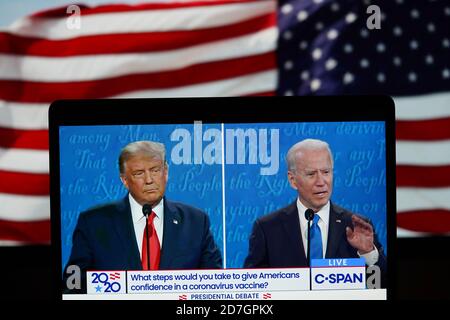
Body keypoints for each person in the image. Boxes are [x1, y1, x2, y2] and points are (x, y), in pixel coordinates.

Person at [63, 140, 222, 292]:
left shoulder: (195, 222)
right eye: (139, 173)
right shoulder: (94, 223)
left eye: (155, 170)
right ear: (124, 180)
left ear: (165, 172)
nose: (149, 180)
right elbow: (73, 284)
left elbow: (215, 284)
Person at [243, 139, 386, 285]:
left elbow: (380, 284)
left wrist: (368, 253)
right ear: (293, 180)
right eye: (311, 174)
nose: (321, 181)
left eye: (326, 172)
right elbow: (253, 286)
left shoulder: (356, 226)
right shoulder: (267, 228)